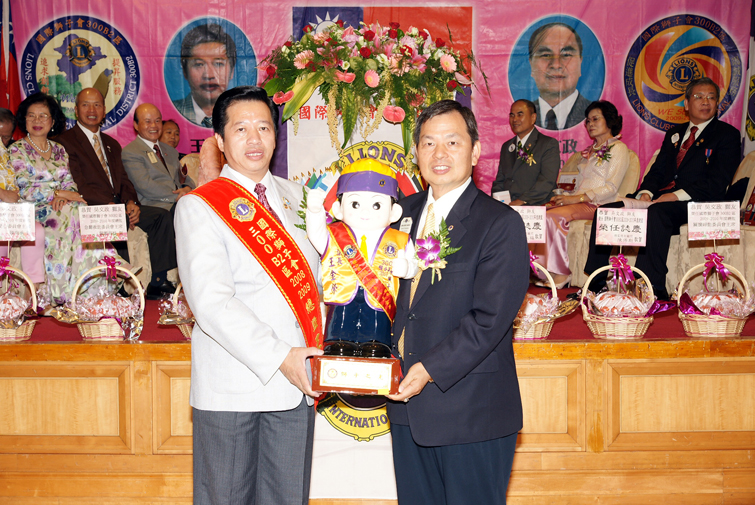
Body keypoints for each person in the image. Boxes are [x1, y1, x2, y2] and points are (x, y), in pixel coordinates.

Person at [174, 85, 322, 505]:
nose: (254, 139)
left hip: (296, 388)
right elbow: (212, 303)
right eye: (241, 129)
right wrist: (281, 356)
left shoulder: (299, 198)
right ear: (220, 141)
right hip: (233, 386)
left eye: (264, 127)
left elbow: (319, 283)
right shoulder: (200, 206)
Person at [386, 99, 529, 504]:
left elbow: (490, 319)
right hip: (405, 409)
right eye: (429, 143)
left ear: (476, 150)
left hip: (470, 411)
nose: (440, 154)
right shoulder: (398, 216)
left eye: (452, 142)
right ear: (416, 154)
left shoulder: (499, 223)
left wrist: (428, 369)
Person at [584, 77, 741, 299]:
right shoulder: (674, 134)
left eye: (711, 97)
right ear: (686, 104)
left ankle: (650, 288)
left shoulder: (727, 135)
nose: (705, 101)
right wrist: (645, 193)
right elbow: (658, 171)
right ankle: (595, 285)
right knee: (605, 211)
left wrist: (675, 196)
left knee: (657, 213)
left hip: (697, 202)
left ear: (717, 104)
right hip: (660, 199)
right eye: (699, 97)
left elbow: (716, 182)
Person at [56, 89, 178, 298]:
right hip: (91, 206)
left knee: (160, 216)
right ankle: (119, 288)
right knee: (115, 218)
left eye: (97, 105)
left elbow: (123, 179)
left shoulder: (111, 143)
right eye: (86, 105)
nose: (92, 110)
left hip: (119, 204)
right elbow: (77, 182)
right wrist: (108, 204)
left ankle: (158, 281)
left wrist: (131, 202)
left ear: (104, 111)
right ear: (76, 110)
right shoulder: (65, 142)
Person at [9, 93, 121, 306]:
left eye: (43, 116)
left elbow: (69, 183)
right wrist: (58, 194)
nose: (37, 120)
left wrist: (65, 196)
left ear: (52, 121)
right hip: (33, 209)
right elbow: (23, 189)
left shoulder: (59, 149)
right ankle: (67, 289)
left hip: (61, 207)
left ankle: (92, 288)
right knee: (73, 212)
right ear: (24, 120)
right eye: (31, 116)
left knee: (78, 208)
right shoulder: (17, 149)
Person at [305, 158, 417, 347]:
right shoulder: (334, 234)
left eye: (376, 205)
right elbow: (315, 234)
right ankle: (337, 340)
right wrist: (315, 212)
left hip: (379, 298)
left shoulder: (400, 239)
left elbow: (414, 265)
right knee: (340, 321)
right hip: (341, 294)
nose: (365, 211)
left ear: (394, 212)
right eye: (355, 204)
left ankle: (377, 342)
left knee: (377, 323)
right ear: (338, 209)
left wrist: (406, 269)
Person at [531, 100, 629, 289]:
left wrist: (575, 199)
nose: (590, 124)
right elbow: (581, 184)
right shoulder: (588, 152)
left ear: (609, 120)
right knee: (539, 212)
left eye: (595, 119)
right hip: (582, 201)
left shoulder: (618, 148)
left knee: (554, 216)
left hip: (602, 204)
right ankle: (542, 270)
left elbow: (610, 188)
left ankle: (561, 273)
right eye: (588, 121)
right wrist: (565, 196)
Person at [122, 103, 195, 297]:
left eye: (157, 121)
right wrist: (177, 195)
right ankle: (160, 279)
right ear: (136, 125)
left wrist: (188, 189)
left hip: (177, 201)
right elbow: (144, 185)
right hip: (152, 204)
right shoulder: (131, 152)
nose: (153, 125)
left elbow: (185, 178)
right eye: (147, 121)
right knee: (177, 214)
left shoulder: (169, 151)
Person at [492, 99, 560, 205]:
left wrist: (522, 200)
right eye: (512, 115)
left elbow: (547, 181)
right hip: (509, 206)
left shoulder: (548, 144)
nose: (515, 119)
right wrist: (498, 201)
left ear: (533, 118)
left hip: (536, 205)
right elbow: (500, 180)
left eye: (520, 115)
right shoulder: (507, 146)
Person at [172, 23, 236, 127]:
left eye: (218, 64)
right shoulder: (172, 111)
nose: (208, 75)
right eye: (199, 64)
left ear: (232, 71)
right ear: (185, 71)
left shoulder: (242, 114)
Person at [529, 22, 591, 130]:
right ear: (531, 64)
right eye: (546, 55)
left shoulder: (594, 114)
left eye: (566, 55)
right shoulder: (522, 117)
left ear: (580, 62)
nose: (556, 64)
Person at [0, 143, 45, 285]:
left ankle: (33, 289)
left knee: (36, 231)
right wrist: (2, 193)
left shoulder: (2, 147)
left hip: (8, 210)